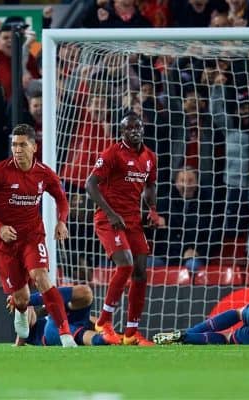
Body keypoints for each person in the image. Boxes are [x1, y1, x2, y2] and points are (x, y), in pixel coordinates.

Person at [0, 124, 78, 348]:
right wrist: (0, 227)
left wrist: (62, 221)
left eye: (22, 144)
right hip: (4, 242)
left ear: (34, 146)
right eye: (14, 144)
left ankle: (66, 335)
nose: (17, 149)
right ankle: (21, 312)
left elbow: (61, 198)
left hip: (32, 236)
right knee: (21, 298)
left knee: (41, 277)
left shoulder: (44, 173)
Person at [86, 111, 161, 346]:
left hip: (133, 220)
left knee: (140, 271)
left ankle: (131, 333)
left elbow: (149, 186)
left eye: (137, 127)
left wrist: (152, 209)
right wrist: (110, 213)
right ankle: (104, 321)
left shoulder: (149, 157)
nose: (134, 131)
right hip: (108, 219)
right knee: (126, 264)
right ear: (122, 132)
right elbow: (90, 184)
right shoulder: (112, 154)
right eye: (129, 128)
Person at [9, 285, 113, 346]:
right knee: (82, 335)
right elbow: (22, 334)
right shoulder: (31, 332)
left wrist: (104, 327)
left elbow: (94, 321)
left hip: (70, 316)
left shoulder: (41, 312)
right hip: (51, 331)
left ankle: (108, 338)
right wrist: (19, 343)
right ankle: (103, 339)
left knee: (85, 292)